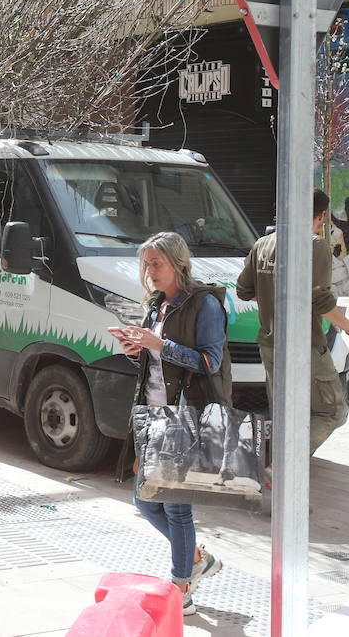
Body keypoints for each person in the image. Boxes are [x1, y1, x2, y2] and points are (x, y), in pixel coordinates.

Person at [110, 231, 229, 616]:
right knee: (144, 499)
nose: (150, 271)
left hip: (187, 417)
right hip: (154, 416)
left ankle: (182, 589)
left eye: (156, 263)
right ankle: (195, 559)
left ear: (178, 263)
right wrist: (138, 348)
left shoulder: (204, 305)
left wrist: (159, 345)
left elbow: (211, 362)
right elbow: (157, 367)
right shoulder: (157, 305)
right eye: (146, 264)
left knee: (177, 509)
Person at [236, 189, 349, 455]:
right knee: (333, 411)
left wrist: (273, 294)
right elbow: (319, 300)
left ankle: (272, 465)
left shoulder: (263, 244)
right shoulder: (314, 244)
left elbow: (244, 290)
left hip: (270, 343)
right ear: (321, 216)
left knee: (284, 412)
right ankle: (283, 465)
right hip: (304, 346)